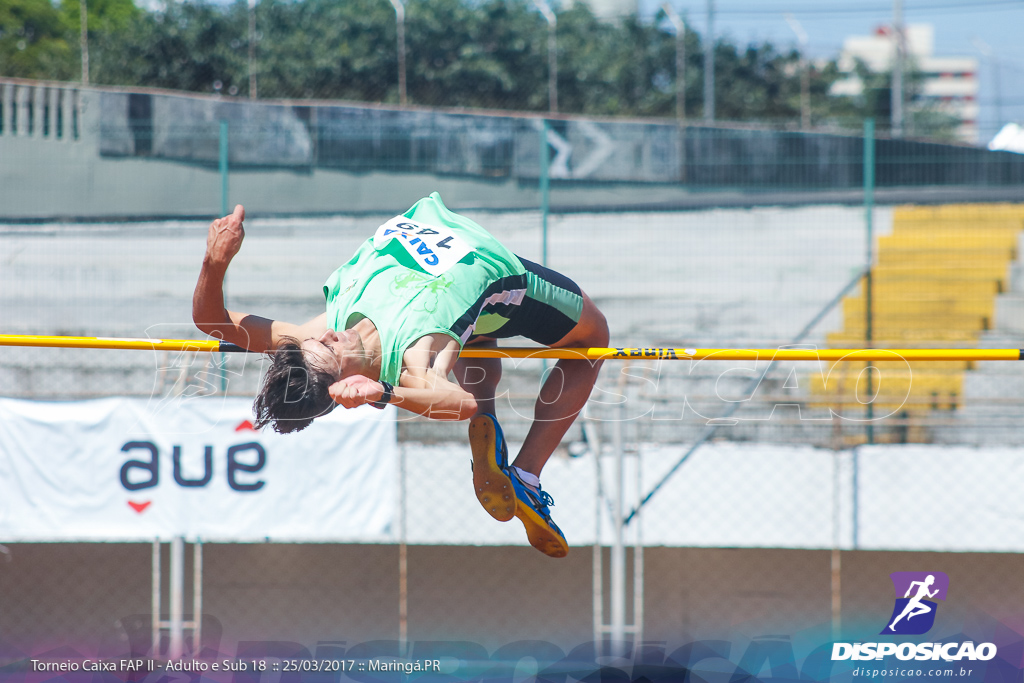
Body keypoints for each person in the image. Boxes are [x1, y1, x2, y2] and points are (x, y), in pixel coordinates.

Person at [192, 193, 609, 558]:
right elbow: (457, 404)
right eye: (332, 349)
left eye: (323, 340)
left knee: (472, 332)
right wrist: (386, 392)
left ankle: (492, 426)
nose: (332, 335)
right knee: (592, 342)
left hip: (460, 288)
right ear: (344, 383)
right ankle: (525, 474)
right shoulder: (417, 352)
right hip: (499, 278)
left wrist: (215, 261)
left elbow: (212, 321)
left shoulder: (321, 332)